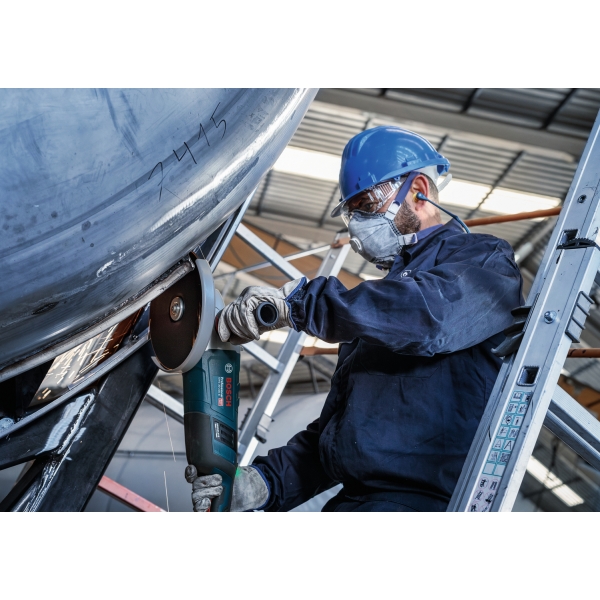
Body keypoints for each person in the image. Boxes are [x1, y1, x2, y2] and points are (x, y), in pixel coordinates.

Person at [185, 125, 524, 512]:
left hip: (426, 504)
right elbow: (341, 432)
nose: (359, 225)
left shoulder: (482, 260)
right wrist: (264, 482)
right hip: (355, 502)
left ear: (419, 190)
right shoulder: (377, 308)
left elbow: (431, 317)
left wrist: (296, 305)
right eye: (353, 214)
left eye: (367, 205)